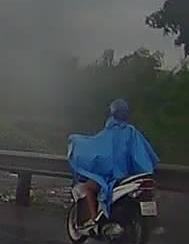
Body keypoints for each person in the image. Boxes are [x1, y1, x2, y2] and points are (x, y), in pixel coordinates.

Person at [68, 99, 159, 232]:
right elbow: (145, 154)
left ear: (112, 113)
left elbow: (94, 151)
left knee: (88, 187)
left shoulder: (107, 133)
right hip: (130, 177)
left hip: (110, 179)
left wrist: (75, 141)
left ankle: (94, 219)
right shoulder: (132, 132)